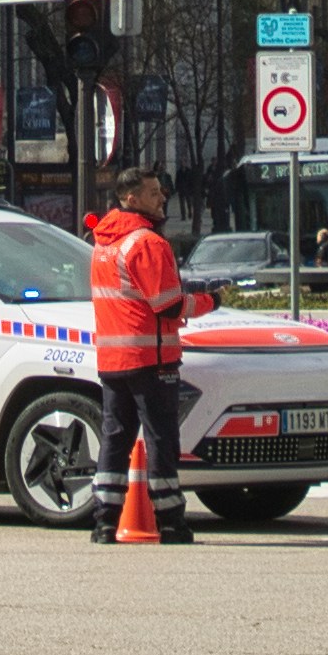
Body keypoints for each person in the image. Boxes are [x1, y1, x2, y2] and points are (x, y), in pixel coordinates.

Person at [85, 166, 195, 543]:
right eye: (153, 193)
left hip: (113, 361)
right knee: (161, 440)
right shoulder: (146, 243)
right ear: (131, 198)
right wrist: (208, 300)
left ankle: (104, 521)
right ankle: (171, 521)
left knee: (115, 439)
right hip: (152, 360)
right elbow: (167, 305)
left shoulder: (105, 242)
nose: (162, 198)